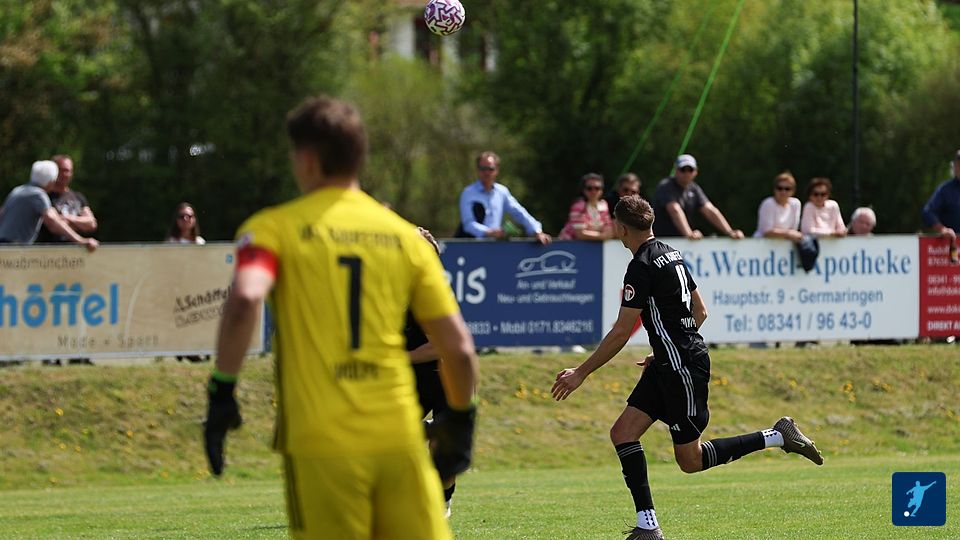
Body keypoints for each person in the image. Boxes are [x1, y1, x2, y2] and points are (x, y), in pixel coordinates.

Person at [204, 96, 479, 540]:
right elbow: (459, 348)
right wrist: (462, 423)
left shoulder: (271, 228)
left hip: (320, 437)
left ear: (308, 159)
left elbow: (244, 299)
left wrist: (222, 389)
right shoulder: (407, 239)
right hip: (397, 435)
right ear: (359, 157)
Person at [551, 195, 822, 540]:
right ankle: (648, 526)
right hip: (671, 361)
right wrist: (667, 348)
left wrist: (581, 372)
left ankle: (777, 435)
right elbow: (701, 311)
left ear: (621, 228)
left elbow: (621, 332)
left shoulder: (640, 266)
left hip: (682, 367)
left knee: (690, 461)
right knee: (622, 433)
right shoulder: (671, 253)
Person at [405, 227, 459, 519]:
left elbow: (438, 346)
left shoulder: (432, 293)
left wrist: (398, 358)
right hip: (412, 378)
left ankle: (443, 501)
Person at [455, 151, 552, 244]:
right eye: (483, 168)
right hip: (472, 247)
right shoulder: (468, 193)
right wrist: (489, 232)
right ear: (477, 170)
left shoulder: (502, 192)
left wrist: (537, 231)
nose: (486, 172)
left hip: (496, 247)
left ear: (497, 170)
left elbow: (519, 212)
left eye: (490, 169)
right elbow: (468, 224)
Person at [0, 160, 98, 251]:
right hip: (14, 247)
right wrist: (80, 240)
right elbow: (53, 223)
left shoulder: (18, 190)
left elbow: (2, 214)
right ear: (50, 181)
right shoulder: (39, 195)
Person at [652, 154, 744, 240]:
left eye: (690, 170)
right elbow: (675, 210)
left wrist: (730, 232)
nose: (687, 173)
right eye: (683, 169)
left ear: (695, 172)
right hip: (663, 241)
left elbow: (710, 210)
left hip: (683, 243)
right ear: (676, 170)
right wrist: (689, 234)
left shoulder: (694, 188)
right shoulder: (666, 186)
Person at [36, 155, 98, 243]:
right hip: (49, 248)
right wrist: (79, 223)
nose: (65, 174)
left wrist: (69, 219)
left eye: (68, 171)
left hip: (75, 249)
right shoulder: (43, 197)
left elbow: (91, 224)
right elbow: (53, 226)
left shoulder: (78, 197)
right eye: (61, 170)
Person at [921, 149, 960, 246]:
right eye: (958, 164)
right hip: (952, 247)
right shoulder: (945, 190)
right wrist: (942, 229)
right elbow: (928, 212)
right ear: (955, 166)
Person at [559, 173, 614, 241]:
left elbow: (608, 230)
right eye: (589, 188)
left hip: (591, 245)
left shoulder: (604, 205)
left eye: (597, 188)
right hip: (569, 244)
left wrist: (605, 234)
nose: (593, 191)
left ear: (601, 190)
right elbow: (580, 234)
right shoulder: (578, 206)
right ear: (583, 190)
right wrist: (602, 236)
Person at [753, 172, 802, 241]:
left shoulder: (795, 204)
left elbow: (794, 230)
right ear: (774, 189)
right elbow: (767, 231)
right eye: (780, 188)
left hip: (785, 243)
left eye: (787, 189)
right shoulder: (768, 203)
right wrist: (788, 233)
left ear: (793, 191)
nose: (783, 192)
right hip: (763, 243)